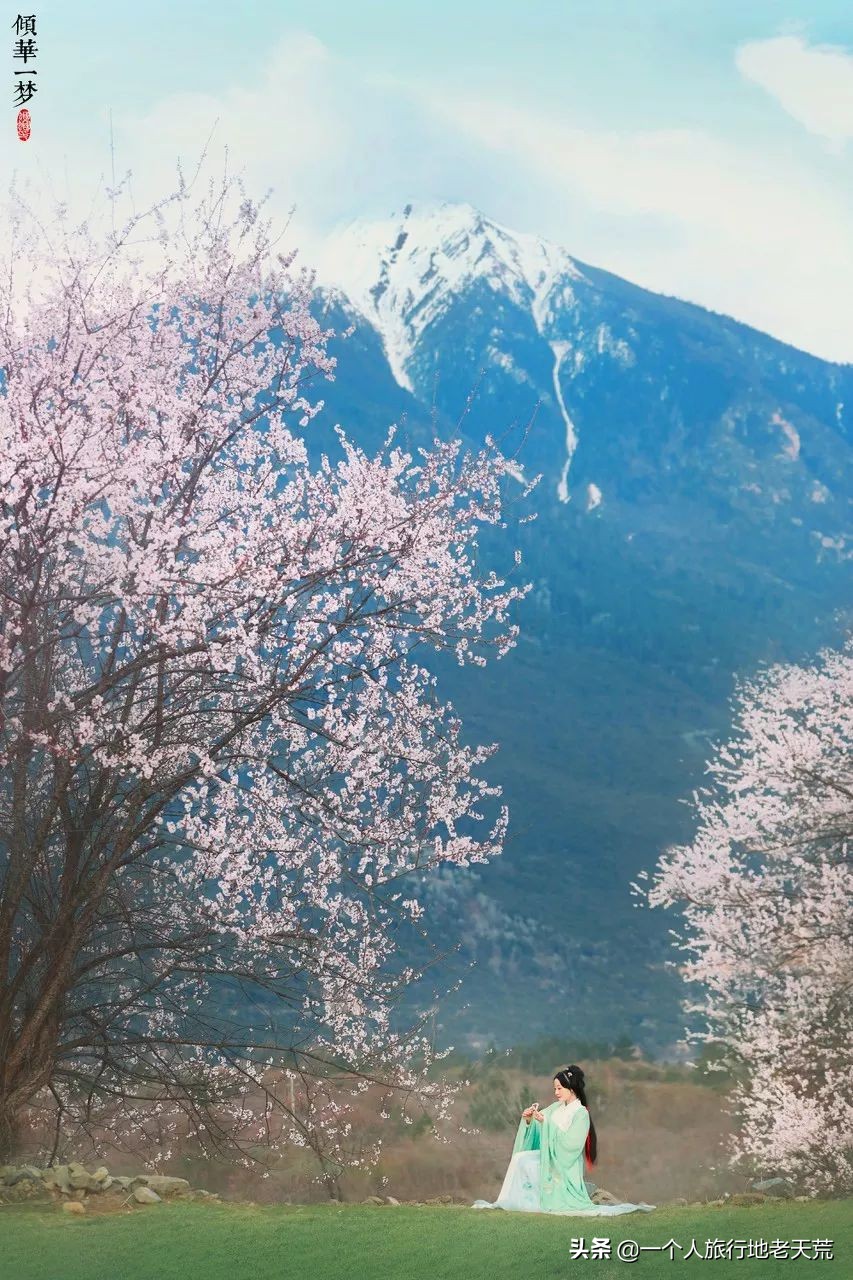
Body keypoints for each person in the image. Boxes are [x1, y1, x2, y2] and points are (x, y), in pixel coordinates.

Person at [472, 1064, 655, 1216]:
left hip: (563, 1163)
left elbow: (571, 1146)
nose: (556, 1092)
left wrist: (547, 1123)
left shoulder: (581, 1113)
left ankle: (538, 1201)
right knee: (521, 1158)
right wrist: (529, 1119)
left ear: (572, 1088)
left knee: (530, 1163)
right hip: (548, 1155)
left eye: (560, 1088)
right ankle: (522, 1201)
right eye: (555, 1089)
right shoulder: (555, 1107)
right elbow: (540, 1123)